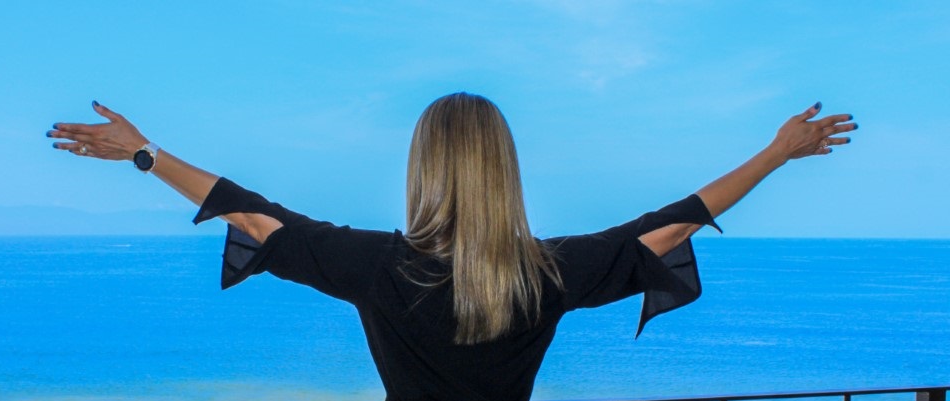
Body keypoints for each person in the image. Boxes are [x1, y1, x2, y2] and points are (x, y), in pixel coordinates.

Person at [47, 93, 856, 401]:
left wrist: (147, 154)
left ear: (422, 168)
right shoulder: (548, 272)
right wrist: (777, 153)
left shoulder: (375, 265)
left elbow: (255, 218)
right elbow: (669, 224)